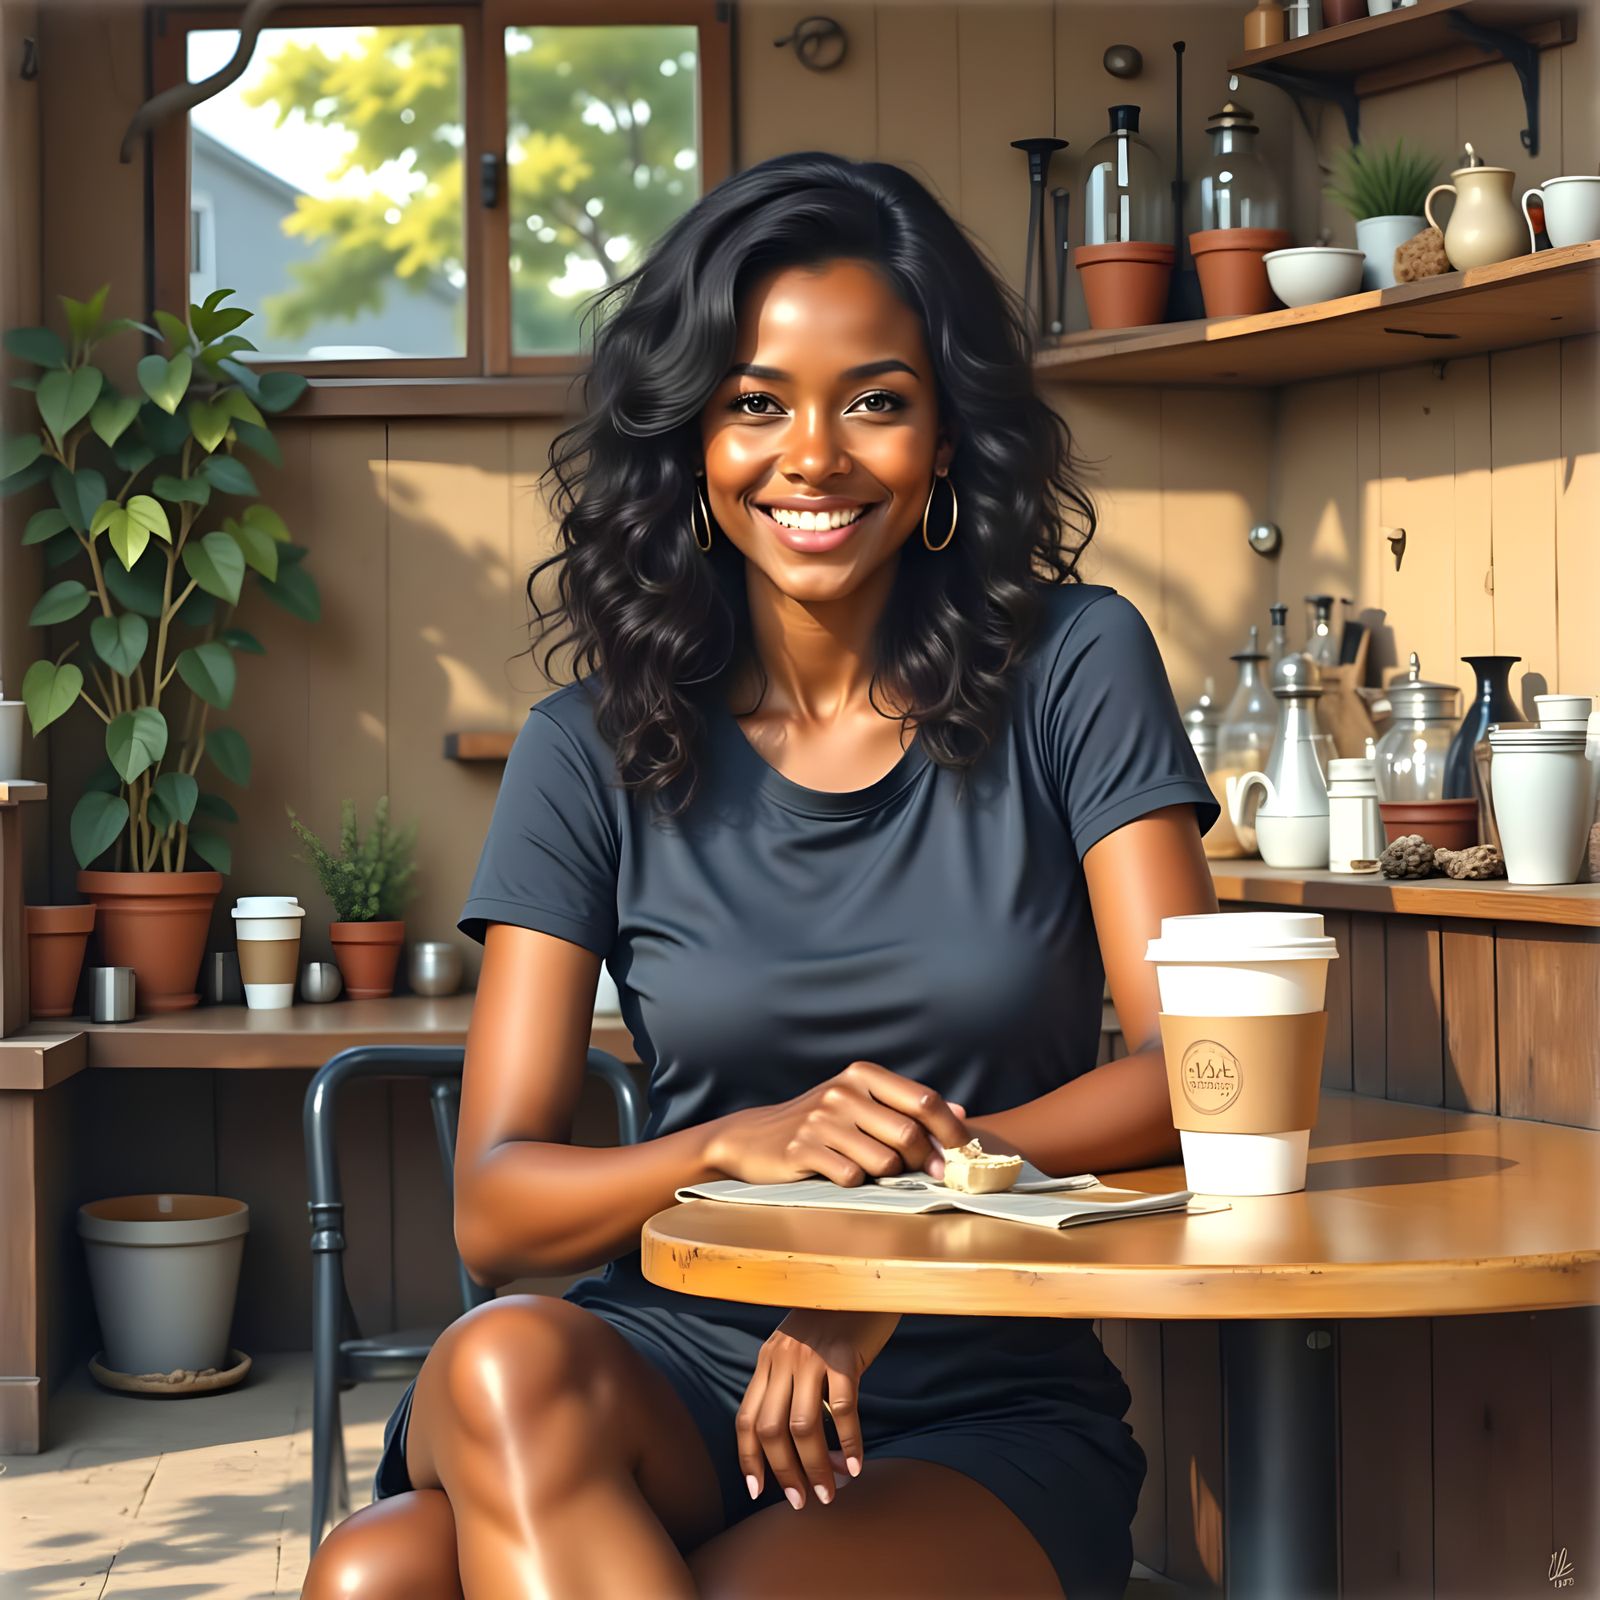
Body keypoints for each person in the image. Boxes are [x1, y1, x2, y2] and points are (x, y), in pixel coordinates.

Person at [300, 150, 1219, 1600]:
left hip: (968, 1391)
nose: (814, 454)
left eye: (875, 400)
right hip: (668, 1368)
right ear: (691, 444)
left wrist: (877, 1248)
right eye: (754, 402)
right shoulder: (585, 747)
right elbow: (495, 1207)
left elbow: (1198, 1066)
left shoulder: (1073, 666)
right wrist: (732, 1144)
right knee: (482, 1384)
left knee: (389, 1580)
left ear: (944, 442)